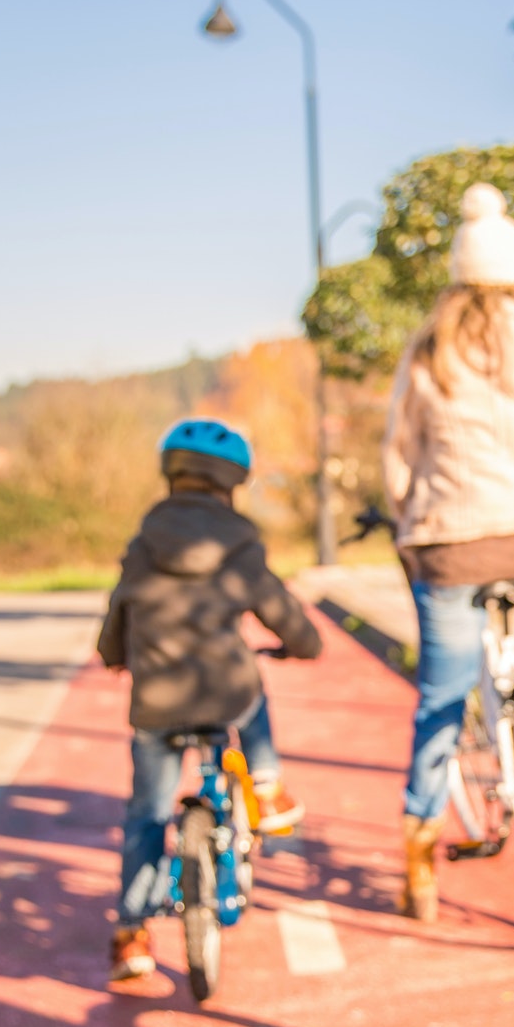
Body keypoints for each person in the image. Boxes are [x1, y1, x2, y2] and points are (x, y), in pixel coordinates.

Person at [382, 184, 514, 921]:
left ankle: (419, 859)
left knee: (441, 697)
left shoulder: (429, 350)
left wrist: (408, 516)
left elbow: (400, 459)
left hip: (451, 545)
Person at [98, 418, 322, 982]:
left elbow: (119, 611)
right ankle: (266, 785)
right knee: (252, 689)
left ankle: (132, 933)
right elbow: (281, 612)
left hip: (156, 700)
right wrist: (303, 645)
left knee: (146, 813)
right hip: (225, 694)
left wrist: (113, 655)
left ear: (170, 474)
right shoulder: (239, 541)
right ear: (233, 480)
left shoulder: (145, 540)